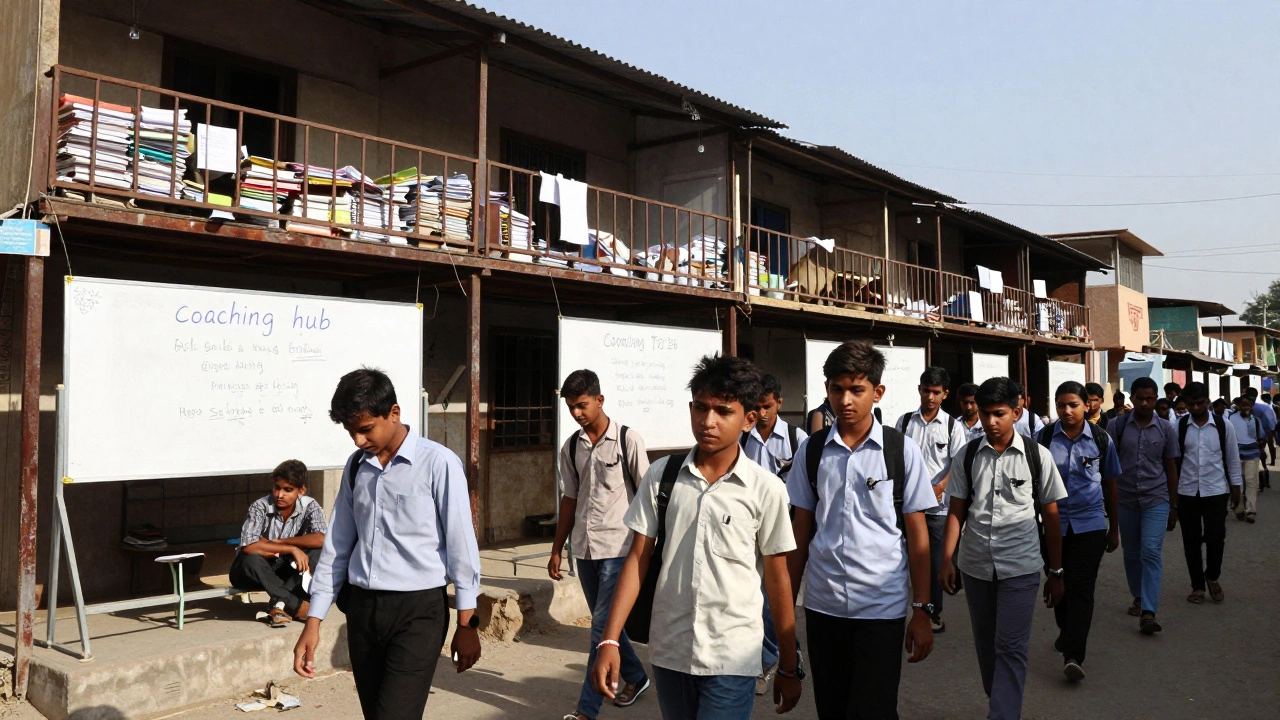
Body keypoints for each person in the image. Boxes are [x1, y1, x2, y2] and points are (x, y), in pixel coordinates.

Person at [593, 355, 802, 719]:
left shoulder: (765, 489)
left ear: (749, 419)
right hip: (670, 650)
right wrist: (609, 640)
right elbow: (638, 558)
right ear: (690, 408)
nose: (708, 421)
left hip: (732, 655)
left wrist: (787, 662)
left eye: (723, 411)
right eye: (701, 408)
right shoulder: (662, 477)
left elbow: (778, 577)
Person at [294, 368, 482, 719]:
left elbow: (461, 545)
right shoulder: (356, 468)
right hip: (363, 611)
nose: (358, 441)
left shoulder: (438, 463)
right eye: (351, 432)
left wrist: (467, 623)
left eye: (365, 430)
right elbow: (336, 546)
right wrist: (314, 619)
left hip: (419, 612)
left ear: (394, 413)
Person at [788, 340, 934, 719]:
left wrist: (922, 609)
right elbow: (800, 532)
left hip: (881, 608)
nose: (846, 400)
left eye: (857, 389)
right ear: (827, 391)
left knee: (874, 709)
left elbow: (917, 537)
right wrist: (783, 606)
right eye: (837, 389)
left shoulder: (901, 451)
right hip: (824, 605)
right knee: (832, 709)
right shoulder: (813, 450)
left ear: (877, 392)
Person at [940, 377, 1066, 720]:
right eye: (984, 414)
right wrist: (946, 560)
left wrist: (1055, 572)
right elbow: (956, 511)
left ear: (1017, 411)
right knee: (987, 647)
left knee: (1010, 647)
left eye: (998, 414)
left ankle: (1002, 713)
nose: (990, 422)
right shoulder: (967, 456)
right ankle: (999, 699)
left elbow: (1051, 517)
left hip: (1021, 568)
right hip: (976, 565)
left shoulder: (1037, 456)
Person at [551, 369, 652, 720]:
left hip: (619, 549)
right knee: (608, 624)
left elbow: (647, 497)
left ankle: (585, 712)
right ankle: (636, 677)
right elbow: (569, 498)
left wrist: (645, 548)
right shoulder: (571, 447)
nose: (577, 413)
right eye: (571, 408)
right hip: (585, 549)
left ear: (599, 400)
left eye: (582, 405)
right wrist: (556, 546)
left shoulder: (628, 440)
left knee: (599, 628)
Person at [1037, 382, 1121, 681]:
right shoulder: (1044, 439)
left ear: (1087, 405)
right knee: (1058, 580)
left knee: (1082, 588)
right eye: (1061, 405)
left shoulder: (1101, 440)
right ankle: (1066, 632)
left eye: (1073, 404)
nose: (1067, 411)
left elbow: (1110, 485)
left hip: (1090, 524)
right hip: (1052, 525)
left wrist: (1114, 528)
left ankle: (1074, 655)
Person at [741, 373, 807, 695]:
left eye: (767, 406)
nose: (762, 413)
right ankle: (781, 653)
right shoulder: (743, 438)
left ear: (779, 403)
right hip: (750, 532)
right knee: (759, 599)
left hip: (786, 530)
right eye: (757, 406)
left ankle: (774, 659)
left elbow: (809, 490)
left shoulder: (798, 439)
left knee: (775, 597)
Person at [895, 366, 967, 634]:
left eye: (936, 392)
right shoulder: (904, 423)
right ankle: (899, 609)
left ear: (945, 394)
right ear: (919, 390)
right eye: (926, 390)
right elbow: (895, 462)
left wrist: (938, 488)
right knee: (903, 558)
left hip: (939, 509)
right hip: (908, 507)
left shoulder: (952, 426)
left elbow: (957, 466)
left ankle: (933, 613)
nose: (930, 397)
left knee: (935, 563)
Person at [1108, 376, 1179, 633]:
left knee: (1150, 551)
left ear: (1156, 398)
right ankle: (1138, 595)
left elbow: (1171, 466)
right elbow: (1108, 468)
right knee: (1132, 552)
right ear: (1132, 398)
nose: (1146, 403)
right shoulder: (1116, 426)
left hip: (1156, 498)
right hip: (1125, 499)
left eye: (1151, 398)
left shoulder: (1165, 429)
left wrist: (1173, 505)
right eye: (1141, 398)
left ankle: (1148, 611)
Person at [230, 460, 327, 628]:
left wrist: (283, 541)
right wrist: (290, 548)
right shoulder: (260, 506)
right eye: (277, 488)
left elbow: (321, 538)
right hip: (250, 573)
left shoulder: (310, 506)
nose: (279, 494)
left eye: (287, 490)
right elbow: (249, 545)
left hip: (283, 571)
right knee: (251, 558)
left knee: (318, 553)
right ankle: (294, 605)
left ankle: (278, 605)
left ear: (301, 490)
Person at [1176, 382, 1242, 605]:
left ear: (1207, 401)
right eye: (1190, 404)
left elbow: (1232, 458)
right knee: (1191, 541)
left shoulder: (1224, 426)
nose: (1195, 408)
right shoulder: (1181, 425)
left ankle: (1212, 576)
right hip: (1187, 491)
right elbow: (1175, 459)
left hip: (1216, 490)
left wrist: (1236, 488)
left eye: (1199, 403)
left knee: (1216, 538)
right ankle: (1197, 586)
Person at [1226, 395, 1264, 523]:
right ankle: (1238, 508)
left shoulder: (1256, 420)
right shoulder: (1231, 418)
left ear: (1252, 406)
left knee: (1251, 481)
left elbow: (1261, 437)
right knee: (1237, 482)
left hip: (1252, 454)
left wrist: (1261, 448)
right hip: (1235, 454)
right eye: (1243, 404)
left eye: (1248, 404)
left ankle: (1250, 511)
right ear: (1239, 405)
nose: (1245, 406)